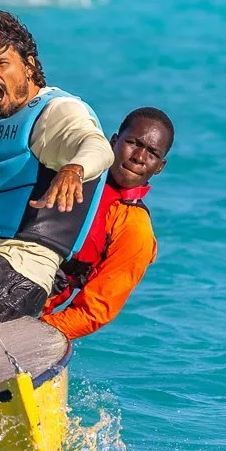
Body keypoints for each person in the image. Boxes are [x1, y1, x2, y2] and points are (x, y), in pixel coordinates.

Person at [0, 11, 113, 336]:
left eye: (1, 63)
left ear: (28, 66)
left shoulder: (57, 111)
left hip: (22, 269)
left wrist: (74, 169)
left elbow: (97, 146)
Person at [42, 107, 173, 339]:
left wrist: (34, 334)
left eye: (152, 153)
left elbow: (94, 310)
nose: (139, 157)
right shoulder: (67, 168)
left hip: (28, 306)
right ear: (113, 142)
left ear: (159, 166)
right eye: (133, 143)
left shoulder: (135, 229)